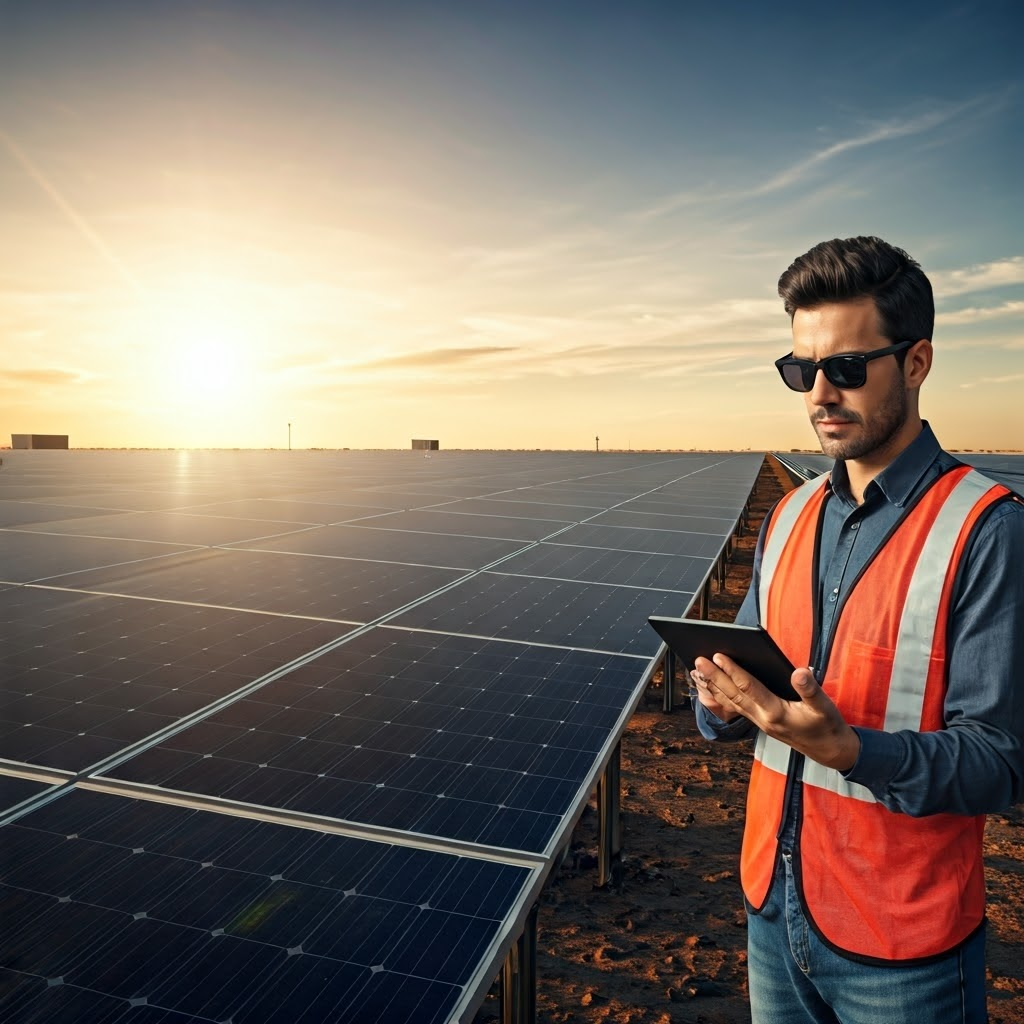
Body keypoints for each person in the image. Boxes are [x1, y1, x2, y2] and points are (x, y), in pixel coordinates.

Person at [691, 236, 1024, 1024]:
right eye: (800, 371)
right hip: (773, 909)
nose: (819, 394)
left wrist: (850, 750)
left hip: (903, 941)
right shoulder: (790, 513)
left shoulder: (985, 529)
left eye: (845, 369)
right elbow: (739, 678)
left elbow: (1003, 761)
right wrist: (719, 700)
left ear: (916, 363)